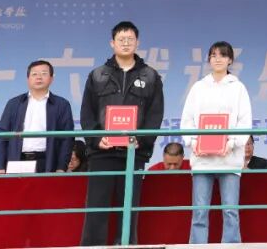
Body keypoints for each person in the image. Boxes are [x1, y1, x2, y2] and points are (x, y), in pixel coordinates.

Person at [79, 21, 165, 247]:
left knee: (129, 208)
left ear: (137, 42)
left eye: (130, 39)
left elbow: (155, 115)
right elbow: (87, 113)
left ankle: (125, 245)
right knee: (96, 209)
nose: (126, 43)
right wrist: (97, 139)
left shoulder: (150, 76)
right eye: (121, 39)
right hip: (102, 153)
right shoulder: (97, 75)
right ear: (112, 43)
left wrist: (141, 141)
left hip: (133, 153)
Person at [180, 40, 252, 245]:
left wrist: (231, 144)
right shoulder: (198, 87)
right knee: (200, 211)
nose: (218, 59)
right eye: (213, 55)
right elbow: (187, 120)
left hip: (229, 159)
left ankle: (231, 245)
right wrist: (194, 142)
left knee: (230, 211)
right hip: (202, 160)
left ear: (230, 60)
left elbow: (245, 122)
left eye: (223, 55)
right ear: (209, 60)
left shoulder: (238, 88)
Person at [0, 60, 75, 174]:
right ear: (28, 79)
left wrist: (61, 167)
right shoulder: (14, 104)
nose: (39, 77)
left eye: (44, 73)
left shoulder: (62, 104)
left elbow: (67, 138)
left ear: (51, 78)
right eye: (34, 74)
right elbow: (2, 136)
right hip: (17, 160)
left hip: (47, 161)